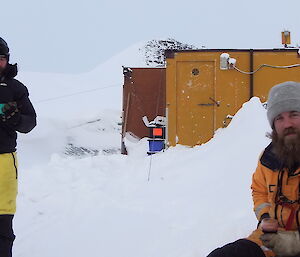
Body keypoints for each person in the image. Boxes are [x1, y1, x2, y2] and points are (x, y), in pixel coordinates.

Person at [207, 81, 300, 257]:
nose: (287, 124)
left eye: (293, 114)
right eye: (279, 118)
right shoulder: (269, 158)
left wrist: (295, 243)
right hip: (272, 239)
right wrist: (265, 218)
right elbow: (259, 191)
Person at [0, 37, 36, 257]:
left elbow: (30, 122)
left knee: (2, 218)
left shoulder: (15, 88)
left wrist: (15, 120)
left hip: (4, 161)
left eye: (0, 59)